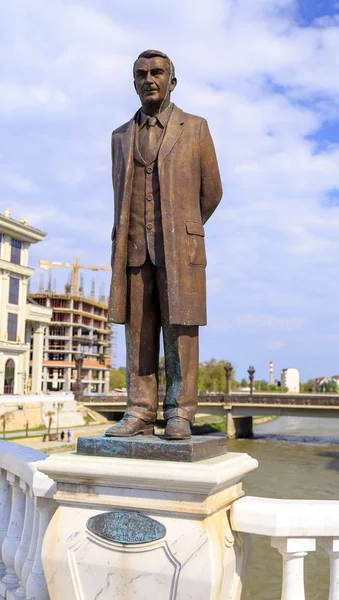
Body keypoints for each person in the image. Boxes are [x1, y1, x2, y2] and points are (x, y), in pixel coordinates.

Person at [106, 49, 222, 440]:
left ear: (172, 81)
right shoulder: (120, 137)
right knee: (137, 329)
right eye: (141, 74)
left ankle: (180, 412)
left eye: (157, 73)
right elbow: (119, 191)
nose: (148, 79)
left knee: (181, 330)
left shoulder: (196, 127)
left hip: (179, 250)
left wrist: (182, 228)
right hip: (134, 248)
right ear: (134, 82)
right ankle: (139, 410)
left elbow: (213, 192)